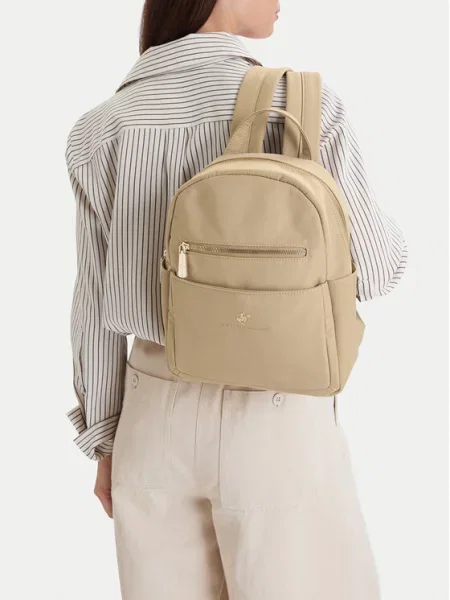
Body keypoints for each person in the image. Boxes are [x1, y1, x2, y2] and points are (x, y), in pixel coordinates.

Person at [64, 1, 408, 598]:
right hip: (276, 411)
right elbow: (379, 271)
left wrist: (104, 440)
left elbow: (93, 309)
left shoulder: (100, 129)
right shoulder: (303, 107)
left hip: (152, 419)